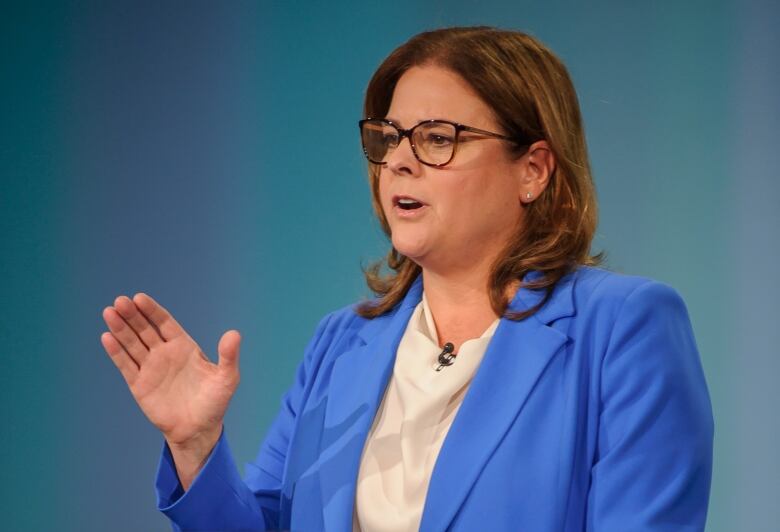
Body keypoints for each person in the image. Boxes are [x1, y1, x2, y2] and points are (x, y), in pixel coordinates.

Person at [100, 26, 714, 531]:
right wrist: (196, 445)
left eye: (438, 139)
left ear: (533, 170)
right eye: (388, 139)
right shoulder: (340, 344)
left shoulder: (624, 328)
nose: (398, 160)